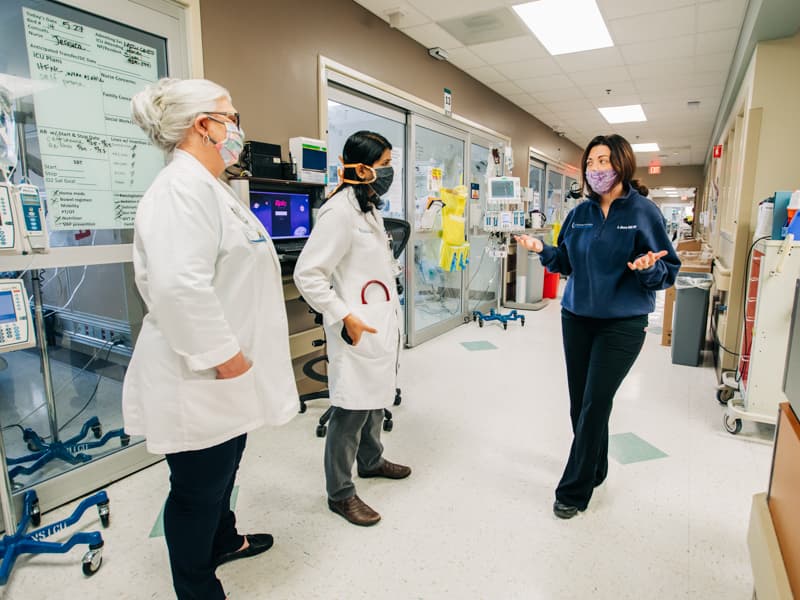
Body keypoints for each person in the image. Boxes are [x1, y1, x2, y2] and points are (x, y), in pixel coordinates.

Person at [123, 78, 298, 598]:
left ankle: (224, 540)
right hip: (199, 374)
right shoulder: (180, 191)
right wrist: (225, 360)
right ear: (205, 125)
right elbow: (179, 287)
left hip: (226, 371)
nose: (237, 128)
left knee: (225, 469)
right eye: (232, 116)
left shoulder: (209, 188)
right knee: (196, 491)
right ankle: (197, 588)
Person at [515, 134, 680, 520]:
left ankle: (574, 489)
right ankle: (597, 467)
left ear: (621, 164)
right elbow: (566, 263)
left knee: (595, 403)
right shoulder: (580, 213)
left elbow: (667, 270)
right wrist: (543, 252)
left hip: (622, 323)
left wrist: (648, 267)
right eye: (591, 162)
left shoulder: (643, 212)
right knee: (581, 404)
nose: (597, 169)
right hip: (577, 318)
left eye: (604, 161)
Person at [294, 131, 410, 527]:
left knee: (376, 395)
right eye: (383, 165)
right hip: (356, 323)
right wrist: (344, 314)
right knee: (351, 407)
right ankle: (340, 492)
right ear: (360, 168)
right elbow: (308, 275)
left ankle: (372, 460)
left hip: (378, 320)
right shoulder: (339, 212)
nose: (387, 172)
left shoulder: (367, 206)